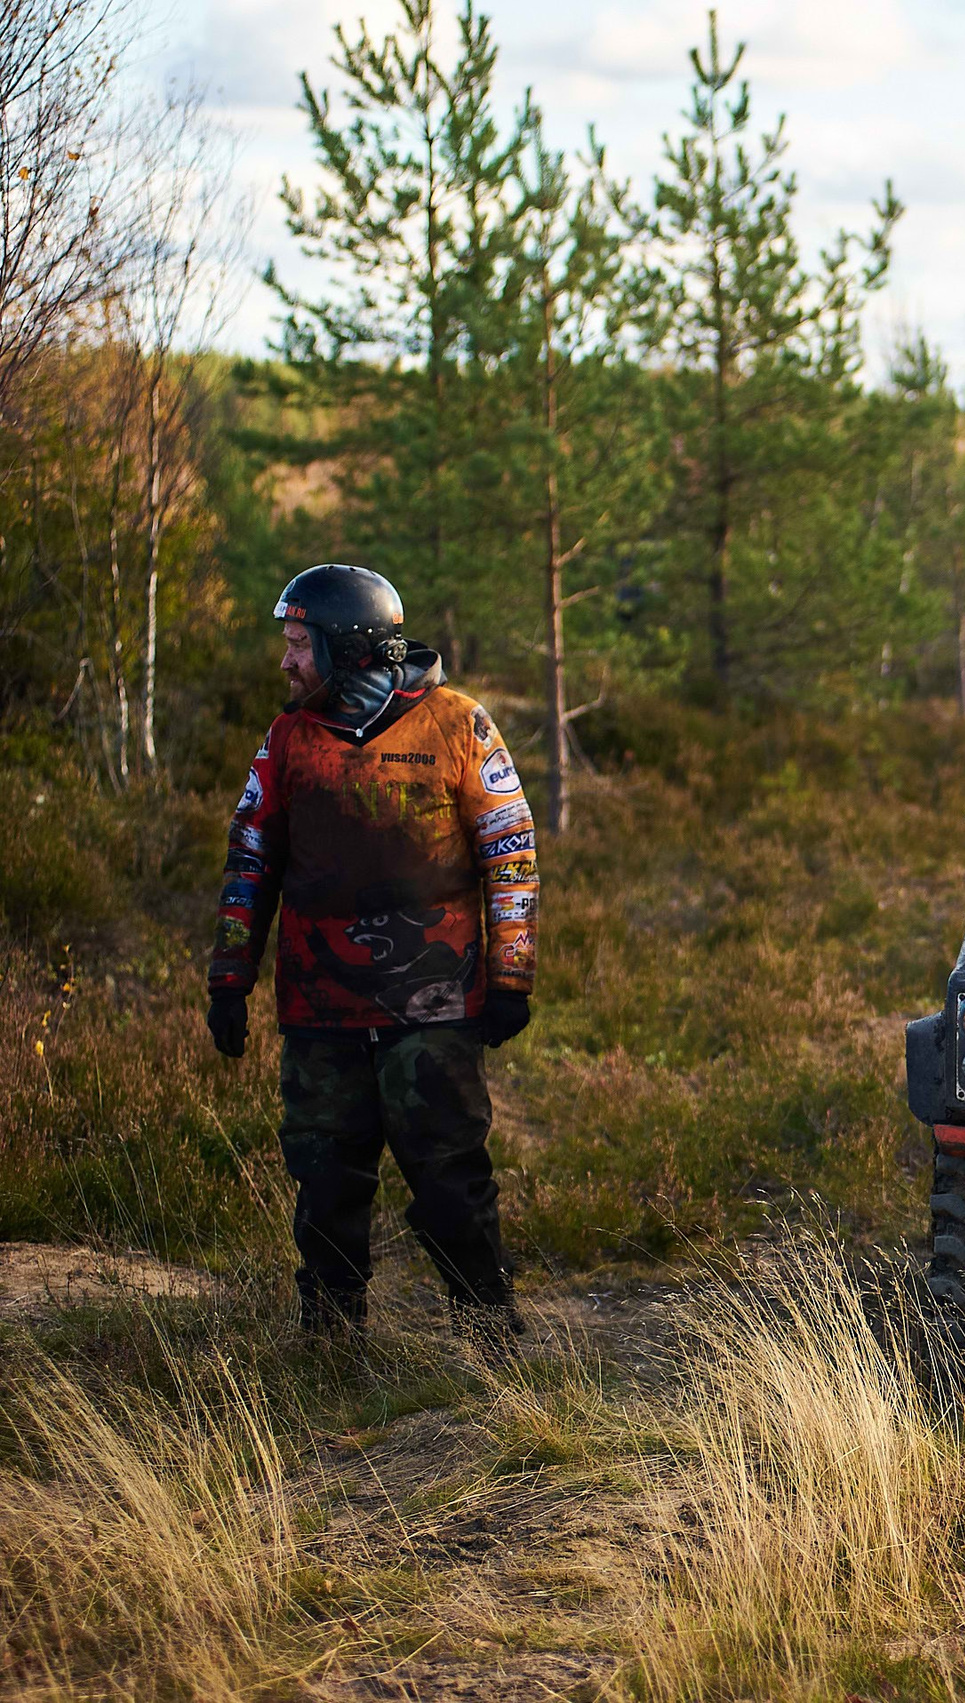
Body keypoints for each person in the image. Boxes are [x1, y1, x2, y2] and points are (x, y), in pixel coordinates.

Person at [207, 564, 540, 1354]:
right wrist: (229, 978)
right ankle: (331, 1342)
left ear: (348, 647)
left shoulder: (460, 725)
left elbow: (511, 852)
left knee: (451, 1177)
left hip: (434, 1007)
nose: (286, 662)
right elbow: (250, 855)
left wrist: (511, 977)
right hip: (319, 1012)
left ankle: (490, 1333)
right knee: (324, 1180)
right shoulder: (289, 739)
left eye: (298, 644)